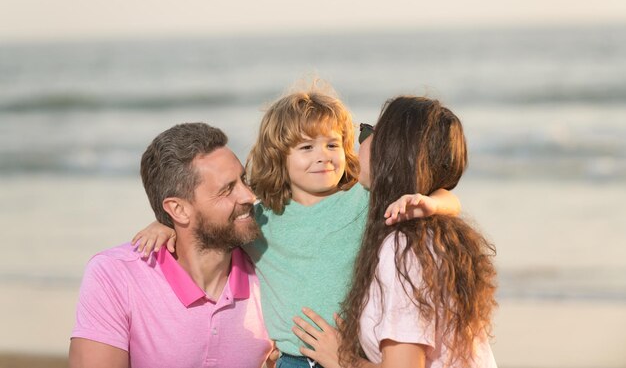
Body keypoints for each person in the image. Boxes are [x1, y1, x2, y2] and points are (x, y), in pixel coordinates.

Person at [133, 80, 462, 368]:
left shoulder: (364, 200)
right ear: (279, 157)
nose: (323, 155)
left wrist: (431, 204)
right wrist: (164, 226)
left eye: (332, 144)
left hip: (354, 355)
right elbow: (210, 223)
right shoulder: (260, 219)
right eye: (306, 147)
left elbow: (448, 198)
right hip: (291, 360)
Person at [291, 96, 498, 368]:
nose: (359, 142)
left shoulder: (406, 248)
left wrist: (341, 359)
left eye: (369, 131)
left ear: (391, 151)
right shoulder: (436, 232)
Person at [69, 123, 273, 368]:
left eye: (243, 180)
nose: (248, 196)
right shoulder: (115, 274)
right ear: (178, 209)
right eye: (227, 189)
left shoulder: (270, 265)